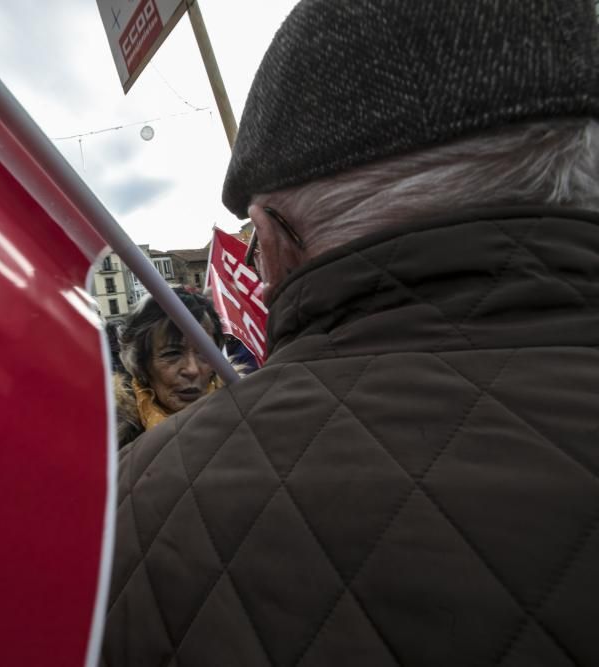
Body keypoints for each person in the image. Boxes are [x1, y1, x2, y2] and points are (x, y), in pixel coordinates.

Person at [103, 1, 599, 665]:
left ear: (275, 242)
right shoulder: (121, 469)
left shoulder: (126, 521)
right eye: (173, 355)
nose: (195, 368)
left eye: (202, 349)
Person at [114, 287, 225, 448]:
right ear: (141, 365)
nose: (192, 369)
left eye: (204, 352)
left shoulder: (244, 415)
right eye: (172, 354)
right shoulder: (110, 441)